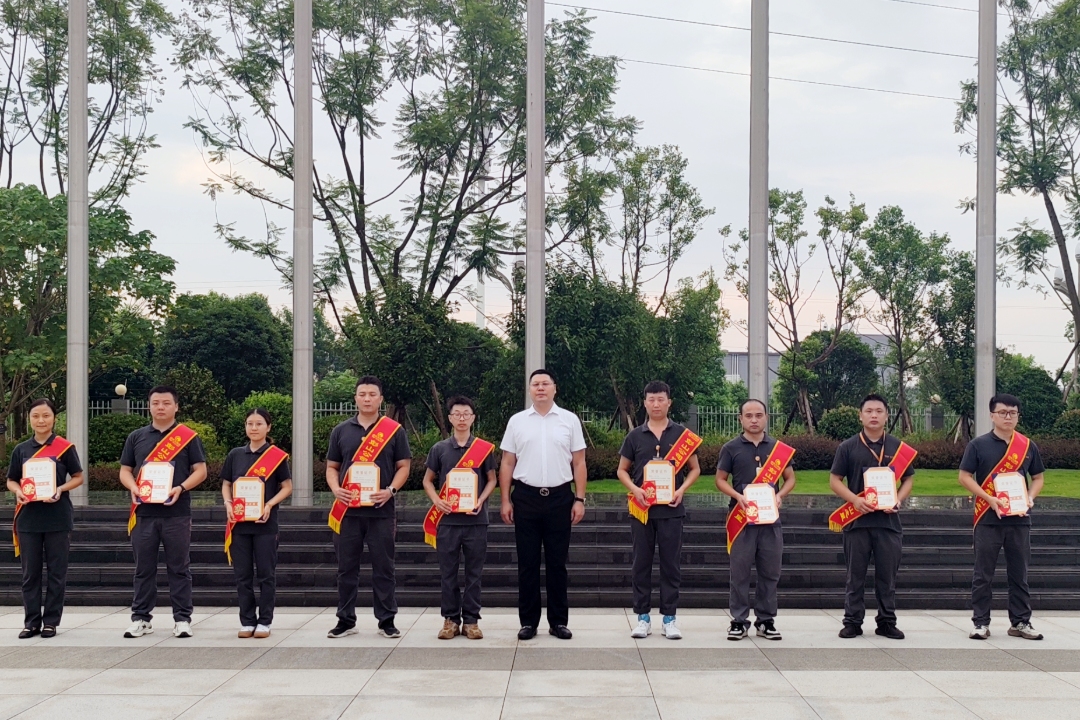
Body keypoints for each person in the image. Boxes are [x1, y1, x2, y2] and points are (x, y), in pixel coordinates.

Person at [500, 369, 588, 640]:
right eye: (535, 384)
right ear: (529, 390)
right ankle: (528, 622)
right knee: (527, 563)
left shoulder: (569, 420)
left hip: (560, 498)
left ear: (554, 388)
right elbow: (507, 462)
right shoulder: (517, 421)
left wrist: (580, 499)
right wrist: (505, 499)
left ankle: (558, 621)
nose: (540, 388)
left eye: (545, 384)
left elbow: (579, 462)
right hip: (525, 498)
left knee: (557, 563)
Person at [325, 375, 411, 639]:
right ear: (355, 398)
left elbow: (404, 466)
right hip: (348, 511)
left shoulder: (394, 430)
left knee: (384, 567)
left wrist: (390, 490)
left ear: (380, 399)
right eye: (362, 394)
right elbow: (332, 467)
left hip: (380, 511)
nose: (367, 399)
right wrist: (336, 489)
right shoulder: (341, 430)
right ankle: (345, 620)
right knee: (346, 568)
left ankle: (386, 620)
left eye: (372, 394)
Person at [119, 386, 208, 639]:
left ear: (176, 407)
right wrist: (133, 486)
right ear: (149, 406)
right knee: (143, 568)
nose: (160, 407)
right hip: (143, 512)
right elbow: (125, 470)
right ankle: (141, 618)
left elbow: (201, 470)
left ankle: (182, 619)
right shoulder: (136, 437)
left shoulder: (188, 437)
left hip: (176, 513)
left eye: (166, 403)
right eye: (156, 402)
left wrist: (181, 487)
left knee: (179, 568)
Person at [617, 381, 702, 641]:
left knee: (670, 565)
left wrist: (682, 489)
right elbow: (621, 470)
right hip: (642, 510)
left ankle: (669, 618)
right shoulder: (635, 436)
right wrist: (635, 489)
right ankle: (642, 618)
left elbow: (695, 469)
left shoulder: (682, 434)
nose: (656, 404)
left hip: (671, 510)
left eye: (661, 399)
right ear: (645, 403)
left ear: (669, 402)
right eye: (651, 400)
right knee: (641, 564)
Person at [828, 394, 916, 640]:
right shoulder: (848, 447)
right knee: (854, 577)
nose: (874, 415)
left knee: (887, 577)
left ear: (887, 416)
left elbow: (909, 479)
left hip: (888, 524)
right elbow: (834, 481)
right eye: (869, 411)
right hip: (857, 522)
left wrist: (898, 499)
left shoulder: (898, 448)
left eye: (879, 411)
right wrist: (854, 500)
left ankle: (886, 622)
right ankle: (852, 622)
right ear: (860, 415)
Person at [959, 393, 1045, 641]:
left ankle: (1020, 622)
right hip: (987, 518)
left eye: (1013, 413)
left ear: (1018, 416)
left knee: (1019, 574)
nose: (1008, 417)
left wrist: (1030, 497)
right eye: (1003, 412)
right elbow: (964, 476)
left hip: (1019, 518)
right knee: (983, 574)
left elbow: (1038, 478)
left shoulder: (1027, 446)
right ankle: (980, 623)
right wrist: (988, 498)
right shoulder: (978, 445)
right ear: (992, 415)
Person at [715, 399, 796, 641]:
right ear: (740, 419)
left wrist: (780, 495)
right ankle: (738, 621)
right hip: (741, 519)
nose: (754, 420)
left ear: (766, 418)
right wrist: (737, 496)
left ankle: (766, 621)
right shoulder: (731, 448)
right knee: (739, 573)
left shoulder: (778, 449)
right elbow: (720, 480)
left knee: (770, 572)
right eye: (748, 415)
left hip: (770, 520)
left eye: (758, 415)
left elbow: (790, 478)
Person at [6, 398, 84, 639]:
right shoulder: (21, 450)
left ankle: (51, 622)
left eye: (46, 416)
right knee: (30, 574)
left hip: (57, 518)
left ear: (54, 418)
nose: (41, 420)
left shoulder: (64, 448)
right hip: (29, 519)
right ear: (30, 419)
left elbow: (78, 477)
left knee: (56, 572)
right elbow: (11, 480)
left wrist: (60, 488)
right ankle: (31, 622)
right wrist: (18, 491)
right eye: (36, 416)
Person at [421, 396, 498, 640]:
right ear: (450, 418)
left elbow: (492, 480)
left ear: (473, 418)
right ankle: (451, 620)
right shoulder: (439, 449)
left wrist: (481, 499)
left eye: (466, 414)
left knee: (474, 573)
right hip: (447, 522)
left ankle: (472, 621)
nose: (462, 418)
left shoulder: (483, 449)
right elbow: (427, 480)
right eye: (457, 414)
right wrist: (437, 500)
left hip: (476, 521)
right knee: (448, 573)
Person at [221, 408, 293, 639]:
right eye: (249, 423)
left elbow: (287, 487)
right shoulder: (235, 455)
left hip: (265, 524)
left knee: (265, 574)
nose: (254, 428)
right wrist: (228, 503)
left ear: (268, 427)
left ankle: (265, 621)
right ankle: (247, 621)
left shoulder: (276, 456)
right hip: (239, 524)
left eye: (259, 424)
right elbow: (226, 483)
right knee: (242, 575)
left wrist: (269, 504)